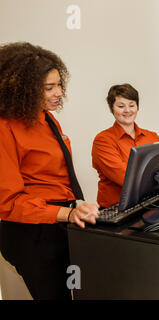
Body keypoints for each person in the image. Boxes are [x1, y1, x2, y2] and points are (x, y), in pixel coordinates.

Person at [0, 42, 99, 300]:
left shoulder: (45, 117)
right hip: (32, 232)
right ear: (23, 89)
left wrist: (72, 208)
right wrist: (67, 213)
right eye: (48, 88)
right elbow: (7, 202)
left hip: (58, 221)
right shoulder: (5, 128)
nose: (58, 93)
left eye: (59, 85)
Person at [91, 84, 159, 209]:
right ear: (111, 108)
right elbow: (126, 179)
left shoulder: (151, 136)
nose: (127, 110)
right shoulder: (103, 140)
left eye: (132, 105)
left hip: (151, 204)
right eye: (121, 106)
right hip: (117, 209)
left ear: (137, 107)